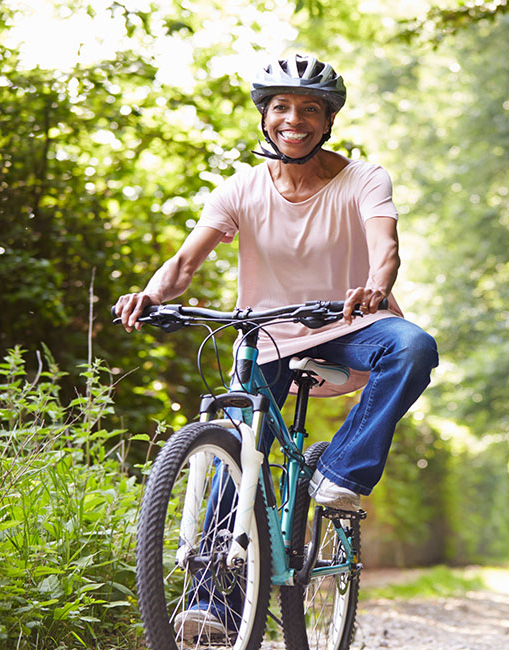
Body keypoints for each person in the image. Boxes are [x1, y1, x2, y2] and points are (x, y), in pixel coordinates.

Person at [114, 53, 438, 638]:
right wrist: (149, 295)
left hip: (351, 323)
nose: (295, 119)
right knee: (239, 443)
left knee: (413, 347)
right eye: (282, 108)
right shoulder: (240, 188)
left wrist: (377, 287)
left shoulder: (363, 178)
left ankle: (340, 476)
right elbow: (185, 263)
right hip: (267, 335)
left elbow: (385, 244)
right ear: (265, 117)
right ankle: (212, 605)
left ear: (328, 121)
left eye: (310, 109)